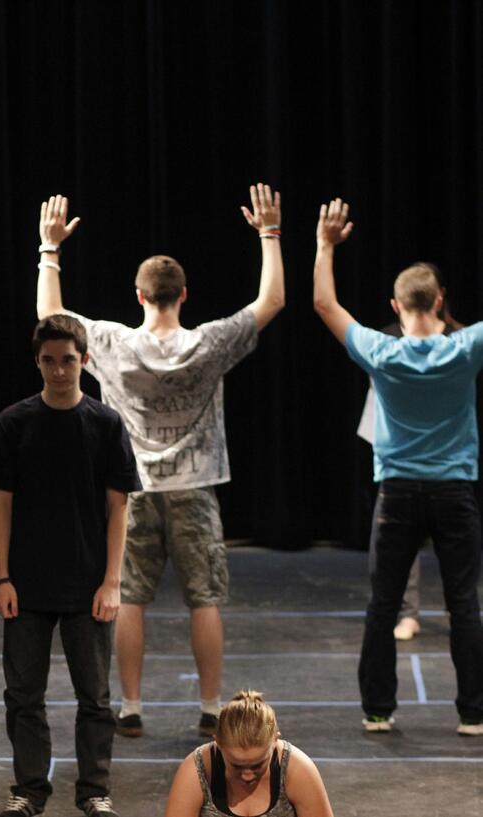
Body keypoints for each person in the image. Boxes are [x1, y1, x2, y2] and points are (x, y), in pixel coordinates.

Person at [36, 184, 286, 737]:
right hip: (194, 489)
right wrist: (269, 234)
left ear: (139, 295)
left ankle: (130, 705)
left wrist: (49, 249)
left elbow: (50, 314)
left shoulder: (116, 345)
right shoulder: (208, 344)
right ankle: (212, 706)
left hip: (132, 492)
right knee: (205, 599)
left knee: (128, 599)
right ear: (184, 294)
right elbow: (270, 304)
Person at [312, 198, 483, 735]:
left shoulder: (381, 353)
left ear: (395, 303)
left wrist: (324, 245)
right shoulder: (466, 349)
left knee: (383, 606)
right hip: (454, 494)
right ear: (439, 300)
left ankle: (378, 711)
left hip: (398, 496)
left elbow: (323, 303)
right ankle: (473, 714)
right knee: (464, 605)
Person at [0, 314, 140, 817]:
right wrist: (2, 576)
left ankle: (94, 790)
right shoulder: (13, 423)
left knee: (94, 698)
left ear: (84, 361)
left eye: (67, 360)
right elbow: (0, 503)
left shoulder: (106, 424)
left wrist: (112, 581)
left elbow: (120, 506)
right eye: (48, 361)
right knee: (23, 696)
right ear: (38, 362)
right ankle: (29, 790)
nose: (58, 370)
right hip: (26, 584)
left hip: (88, 584)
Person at [355, 271, 464, 642]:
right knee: (403, 543)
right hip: (397, 452)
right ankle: (409, 612)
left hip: (445, 458)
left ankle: (460, 612)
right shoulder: (386, 340)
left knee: (453, 543)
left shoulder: (459, 341)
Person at [163, 690, 334, 817]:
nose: (247, 776)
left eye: (257, 764)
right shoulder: (197, 769)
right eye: (236, 765)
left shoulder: (297, 769)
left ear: (275, 740)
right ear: (218, 743)